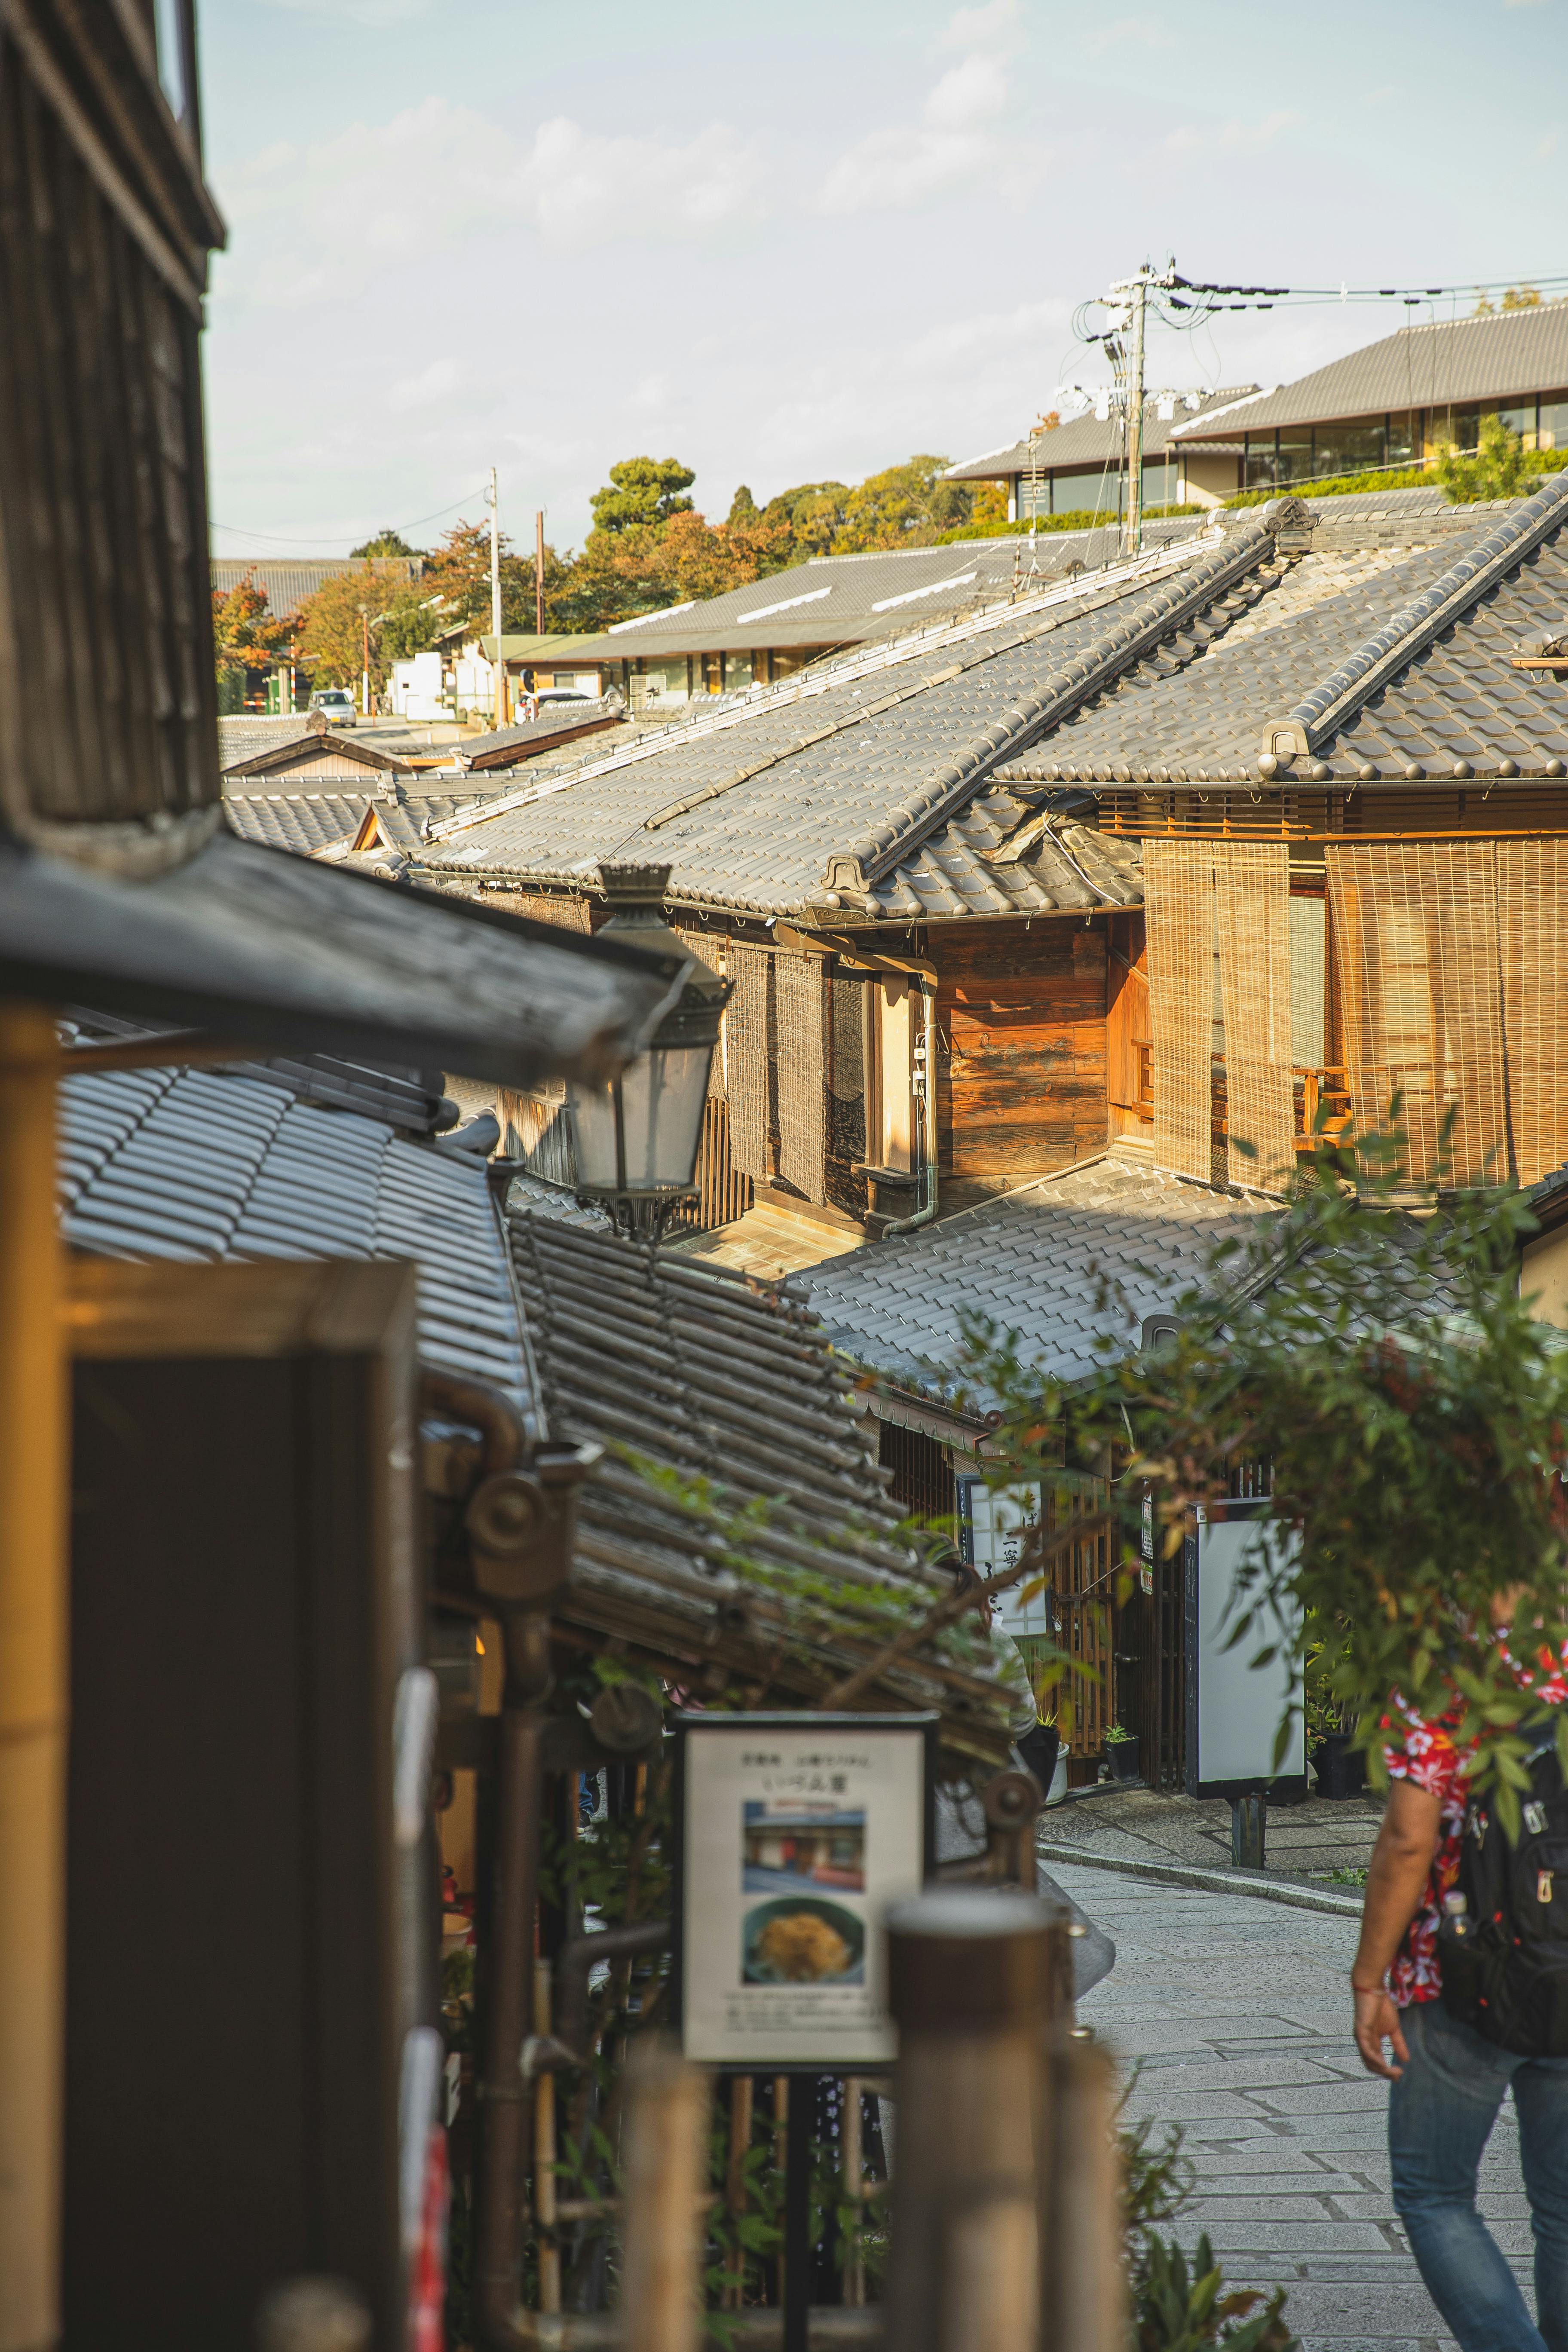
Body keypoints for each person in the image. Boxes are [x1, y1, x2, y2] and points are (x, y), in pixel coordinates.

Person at [1351, 1617, 1568, 2352]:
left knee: (1435, 2193)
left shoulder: (1448, 1663)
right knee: (1566, 2206)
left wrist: (1367, 1979)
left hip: (1464, 1974)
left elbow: (1410, 1835)